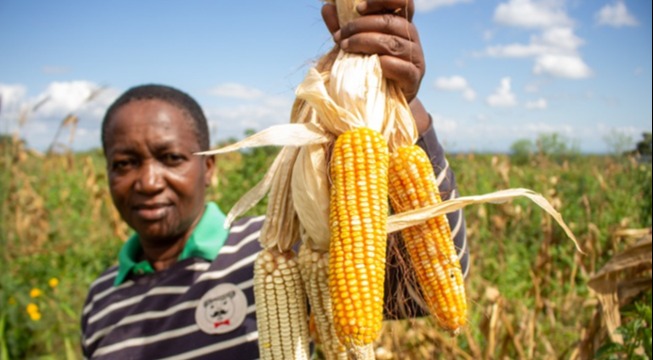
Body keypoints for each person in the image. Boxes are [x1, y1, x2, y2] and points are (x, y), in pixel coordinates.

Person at [81, 0, 469, 358]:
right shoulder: (99, 299)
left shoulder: (276, 251)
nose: (148, 181)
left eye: (171, 158)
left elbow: (419, 290)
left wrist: (404, 106)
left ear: (209, 168)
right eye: (125, 163)